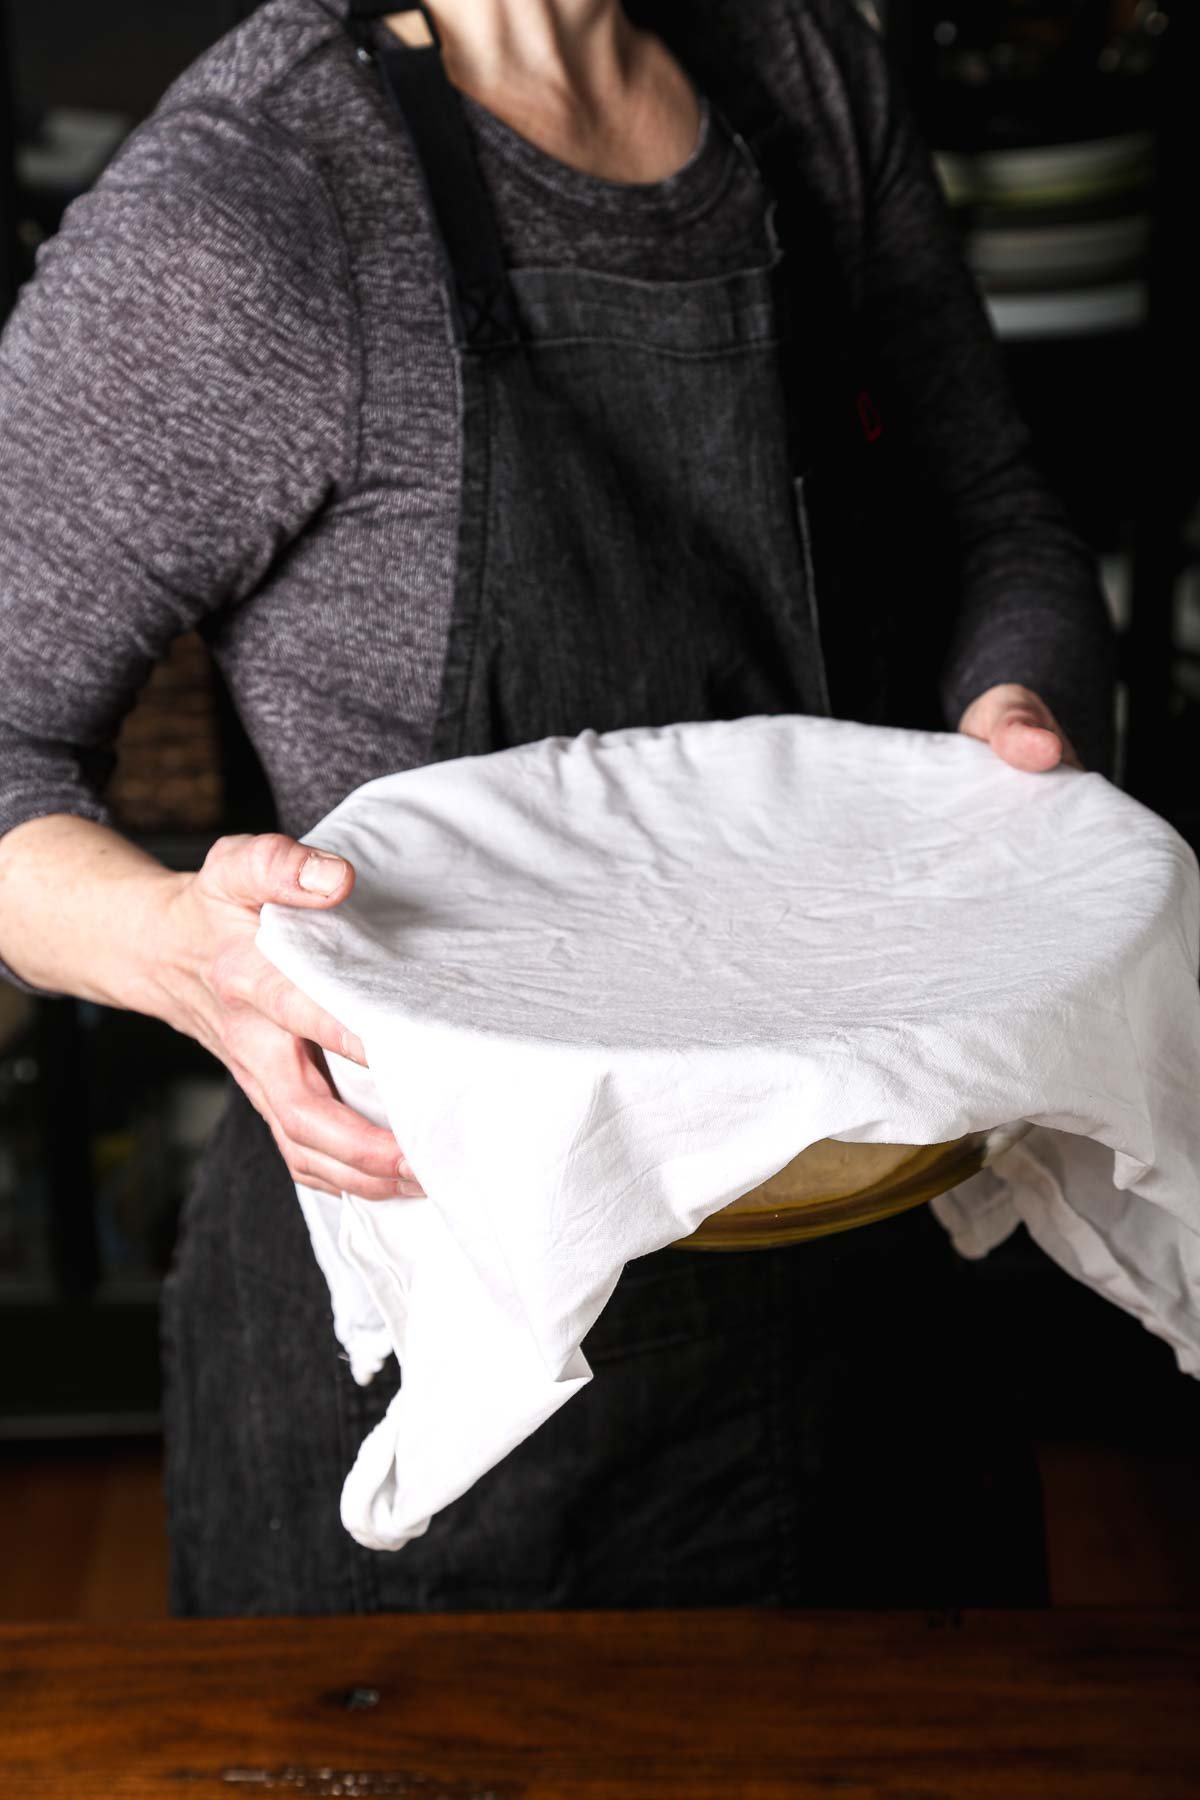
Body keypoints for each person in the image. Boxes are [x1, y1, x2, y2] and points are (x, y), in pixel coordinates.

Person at [0, 0, 1113, 1615]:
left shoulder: (809, 72)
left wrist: (1025, 713)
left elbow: (996, 515)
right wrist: (186, 951)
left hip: (875, 1263)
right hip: (465, 1344)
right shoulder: (252, 207)